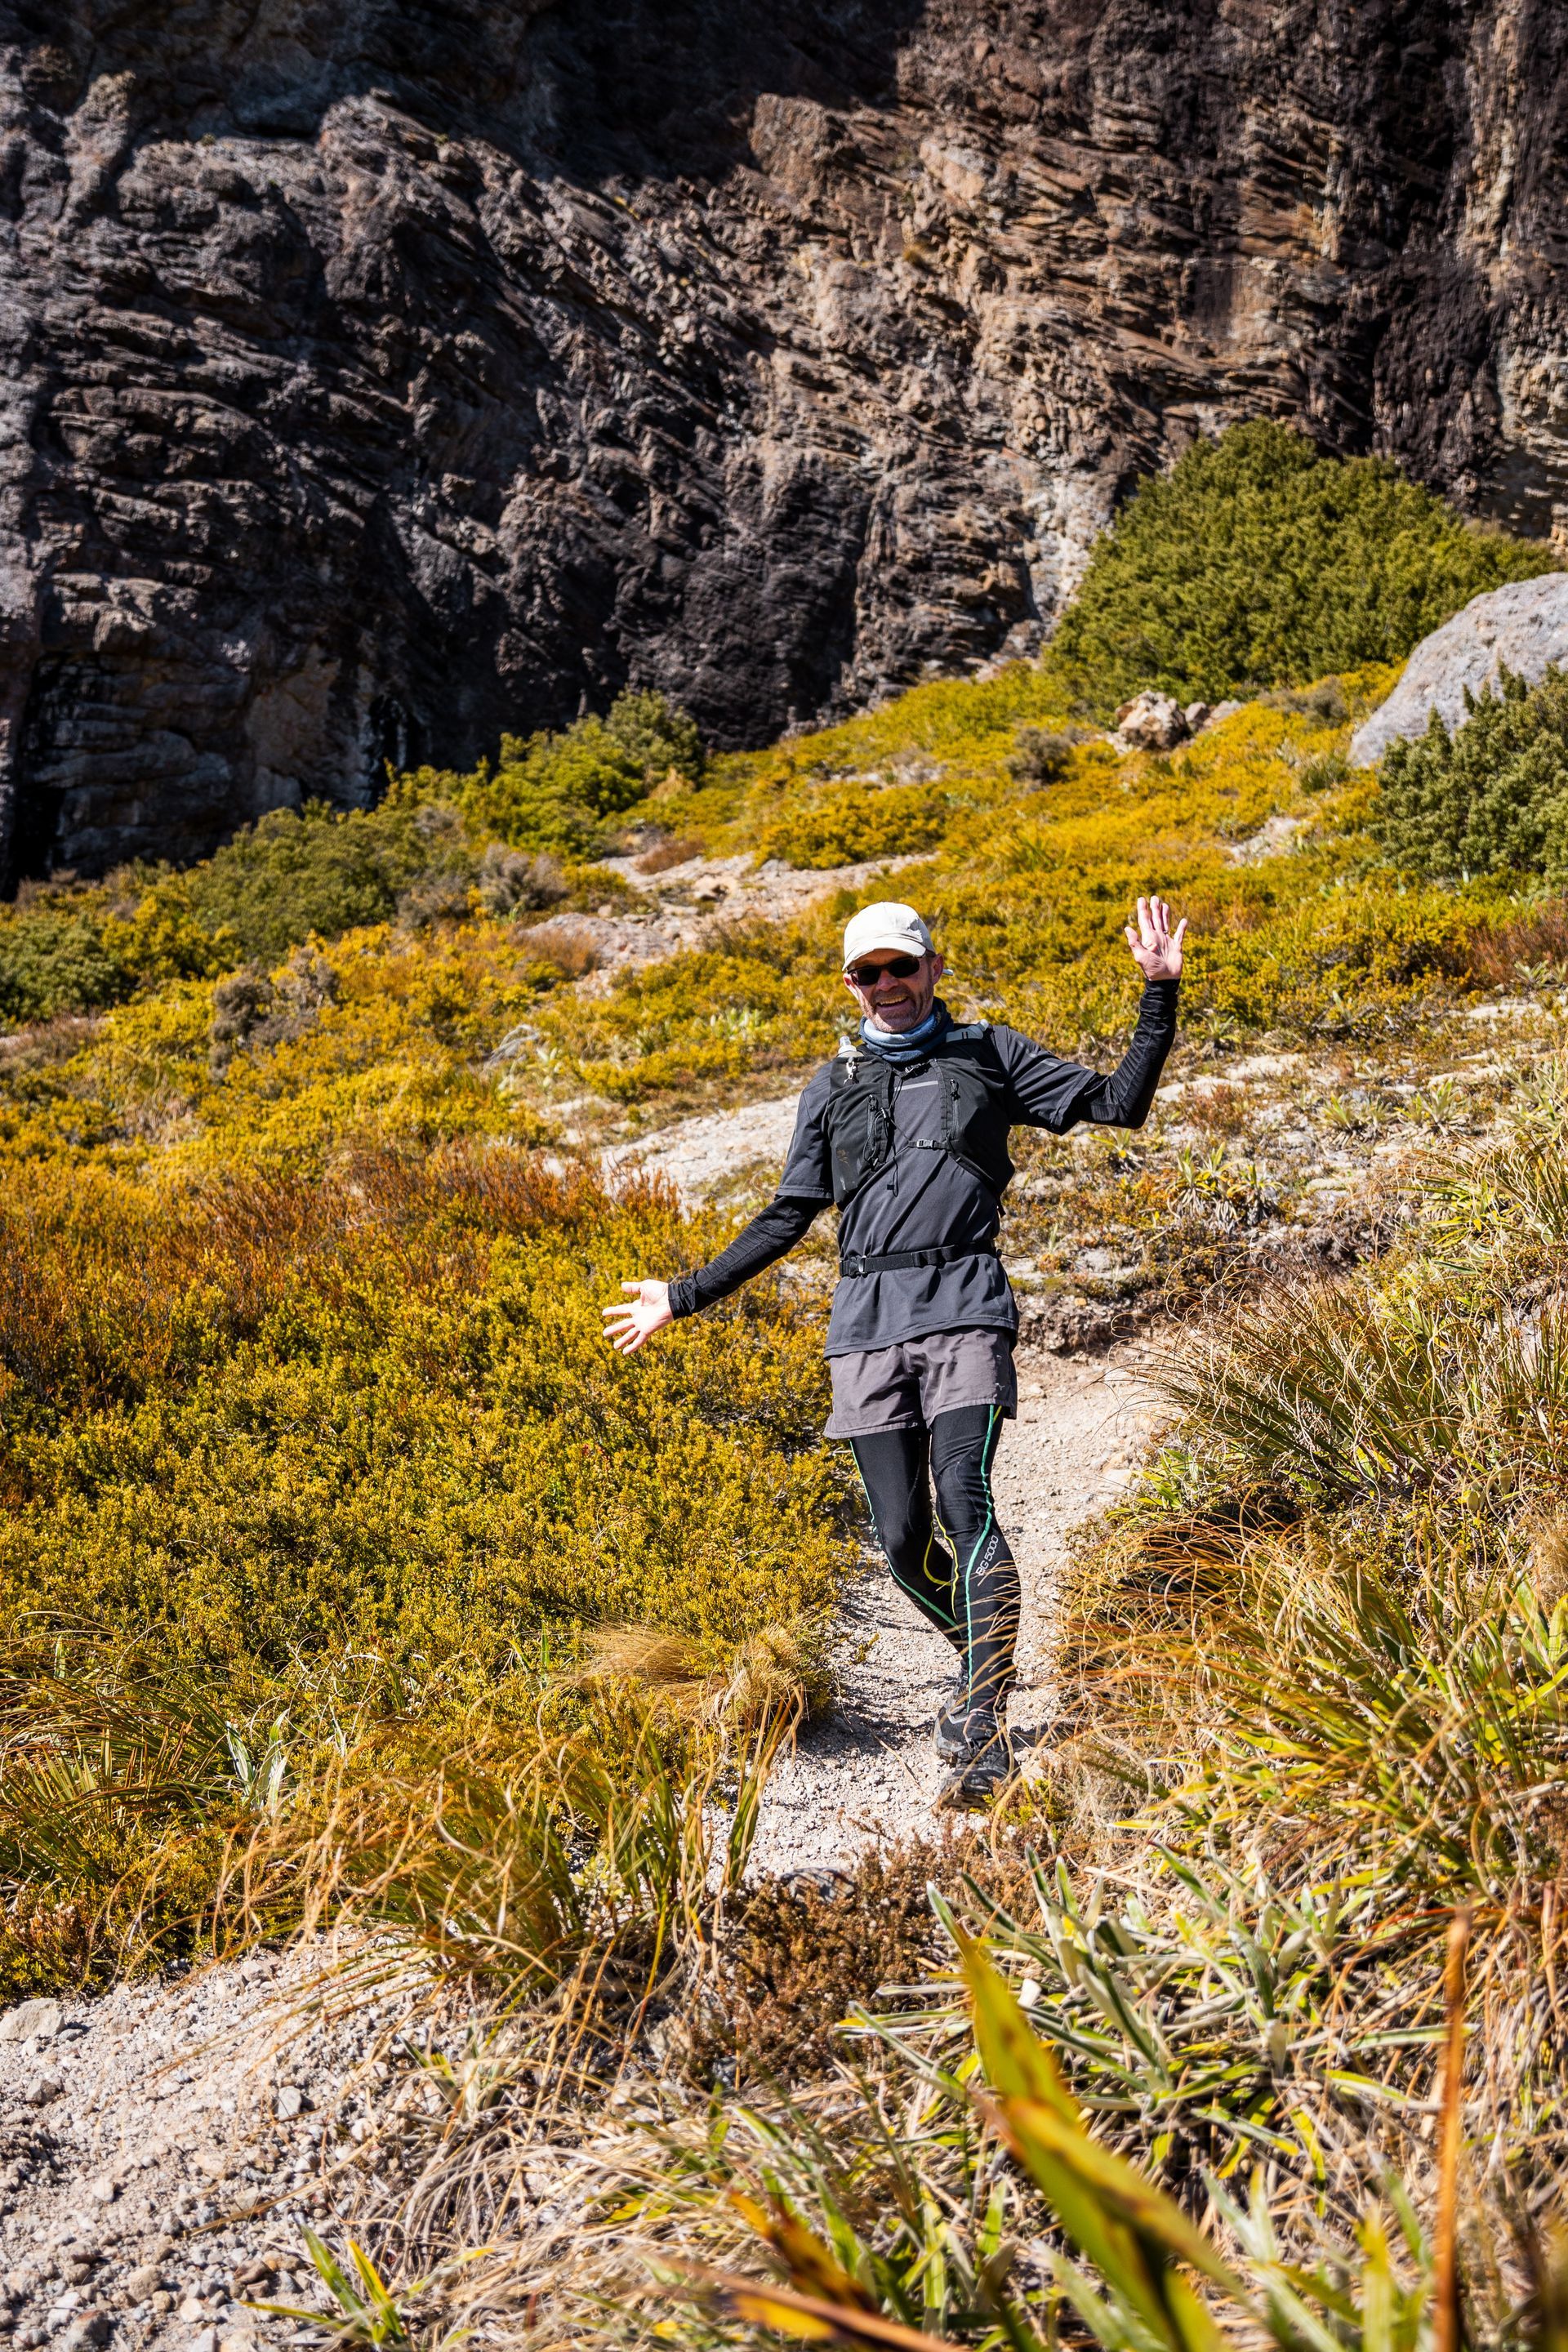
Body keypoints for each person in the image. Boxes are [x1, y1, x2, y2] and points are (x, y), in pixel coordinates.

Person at [601, 895, 1186, 1801]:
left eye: (901, 968)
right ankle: (976, 1664)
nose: (887, 986)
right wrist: (684, 1297)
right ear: (850, 983)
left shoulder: (990, 1053)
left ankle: (982, 1722)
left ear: (934, 969)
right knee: (903, 1537)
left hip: (963, 1303)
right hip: (866, 1323)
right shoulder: (830, 1087)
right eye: (868, 973)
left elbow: (1120, 1104)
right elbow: (790, 1214)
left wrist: (1158, 993)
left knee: (964, 1498)